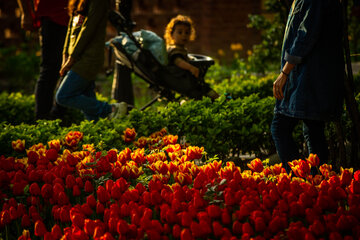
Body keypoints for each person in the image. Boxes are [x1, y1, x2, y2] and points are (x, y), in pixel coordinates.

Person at [271, 0, 344, 173]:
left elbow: (305, 36)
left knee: (280, 127)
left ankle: (300, 181)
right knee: (313, 130)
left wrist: (285, 72)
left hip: (309, 77)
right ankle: (316, 185)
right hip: (311, 77)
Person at [56, 0, 126, 122]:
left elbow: (87, 29)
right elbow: (70, 30)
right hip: (75, 57)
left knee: (63, 96)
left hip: (88, 58)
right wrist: (65, 56)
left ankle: (111, 109)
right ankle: (99, 134)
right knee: (91, 115)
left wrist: (72, 58)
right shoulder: (77, 1)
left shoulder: (98, 2)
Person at [16, 0, 69, 120]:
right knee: (50, 69)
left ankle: (58, 117)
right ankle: (42, 120)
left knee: (69, 70)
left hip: (73, 18)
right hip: (51, 17)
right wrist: (26, 13)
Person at [164, 15, 219, 99]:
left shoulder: (179, 48)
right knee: (205, 89)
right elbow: (177, 61)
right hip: (184, 80)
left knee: (205, 88)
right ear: (171, 34)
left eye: (187, 32)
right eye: (180, 32)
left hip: (186, 79)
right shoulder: (174, 49)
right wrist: (191, 68)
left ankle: (220, 99)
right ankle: (220, 100)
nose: (184, 35)